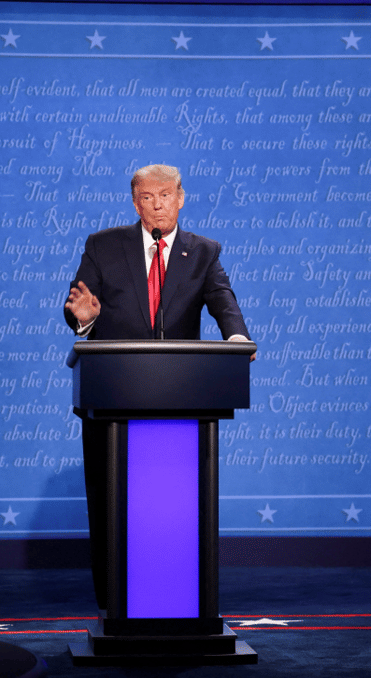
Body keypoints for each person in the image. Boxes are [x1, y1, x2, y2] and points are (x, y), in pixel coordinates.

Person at [63, 163, 252, 611]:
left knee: (174, 507)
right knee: (111, 502)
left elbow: (222, 300)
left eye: (166, 196)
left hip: (180, 397)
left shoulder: (203, 252)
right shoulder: (103, 246)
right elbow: (77, 304)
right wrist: (84, 319)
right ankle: (113, 603)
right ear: (136, 204)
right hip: (112, 395)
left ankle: (178, 599)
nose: (158, 205)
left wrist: (237, 338)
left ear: (181, 199)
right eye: (147, 198)